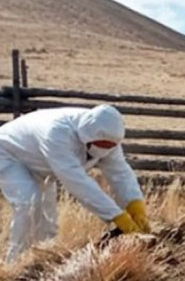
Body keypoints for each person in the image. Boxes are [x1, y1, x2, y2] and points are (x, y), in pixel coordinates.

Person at [0, 105, 150, 262]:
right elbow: (77, 182)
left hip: (40, 162)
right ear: (87, 137)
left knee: (47, 223)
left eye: (110, 146)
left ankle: (41, 262)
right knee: (29, 202)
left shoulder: (110, 136)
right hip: (7, 153)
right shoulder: (57, 135)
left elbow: (120, 173)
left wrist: (135, 204)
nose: (105, 149)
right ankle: (14, 263)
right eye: (102, 144)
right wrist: (116, 216)